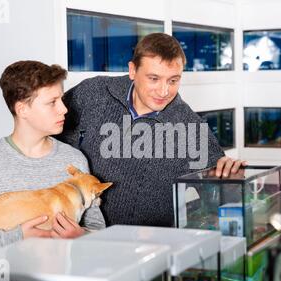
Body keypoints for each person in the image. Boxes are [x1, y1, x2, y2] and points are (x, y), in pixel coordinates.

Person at [57, 33, 247, 227]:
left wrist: (231, 177)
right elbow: (51, 142)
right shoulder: (92, 92)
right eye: (154, 78)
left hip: (149, 245)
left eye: (173, 80)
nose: (164, 91)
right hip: (76, 234)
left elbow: (221, 194)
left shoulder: (190, 126)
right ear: (133, 70)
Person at [0, 61, 106, 261]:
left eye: (62, 99)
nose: (64, 109)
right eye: (52, 102)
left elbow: (98, 230)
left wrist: (81, 237)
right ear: (22, 109)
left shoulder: (74, 159)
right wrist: (16, 238)